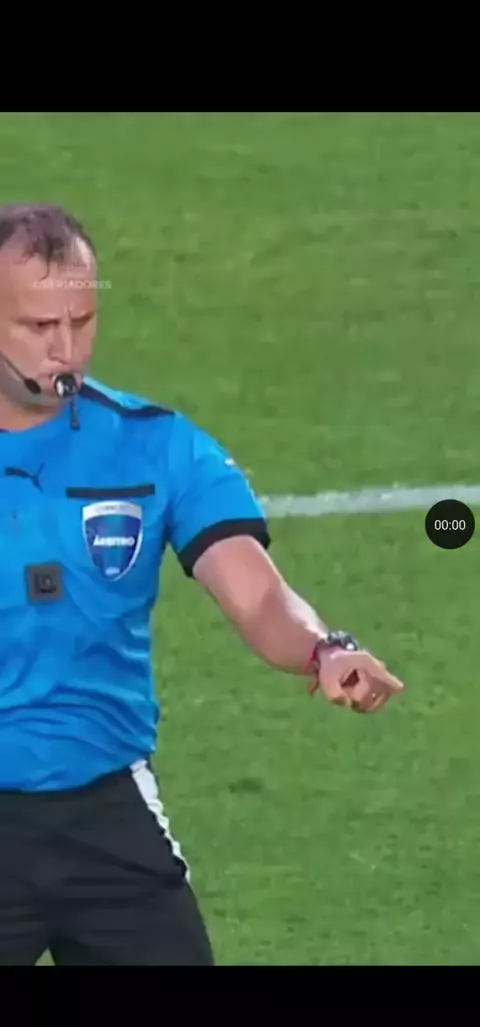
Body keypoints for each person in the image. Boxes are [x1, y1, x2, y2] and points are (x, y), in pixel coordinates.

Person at [0, 203, 404, 965]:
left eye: (82, 322)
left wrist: (323, 649)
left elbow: (257, 594)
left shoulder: (156, 447)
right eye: (38, 326)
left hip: (107, 819)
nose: (66, 350)